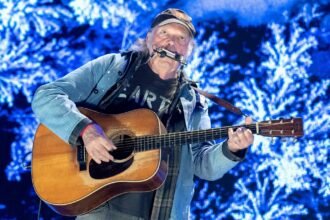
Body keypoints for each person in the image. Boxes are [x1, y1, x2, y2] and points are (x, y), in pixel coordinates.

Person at [32, 8, 254, 220]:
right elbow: (47, 96)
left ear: (189, 51)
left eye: (181, 38)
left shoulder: (194, 102)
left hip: (161, 212)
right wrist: (86, 131)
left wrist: (232, 149)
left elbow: (202, 164)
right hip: (101, 207)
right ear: (149, 39)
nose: (171, 42)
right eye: (164, 33)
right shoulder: (114, 68)